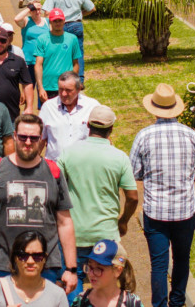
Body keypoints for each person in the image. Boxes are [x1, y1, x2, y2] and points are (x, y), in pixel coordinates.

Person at [0, 114, 77, 294]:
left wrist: (71, 268)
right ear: (14, 136)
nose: (28, 142)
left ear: (40, 139)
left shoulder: (53, 172)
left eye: (34, 138)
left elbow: (65, 222)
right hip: (3, 265)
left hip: (45, 265)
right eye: (23, 137)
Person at [129, 83, 195, 307]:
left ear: (153, 109)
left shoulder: (144, 136)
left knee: (159, 264)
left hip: (155, 212)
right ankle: (178, 301)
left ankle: (160, 304)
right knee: (182, 259)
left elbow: (133, 171)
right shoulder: (191, 135)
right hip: (185, 210)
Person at [58, 106, 138, 302]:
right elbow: (133, 197)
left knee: (71, 282)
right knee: (107, 289)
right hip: (106, 234)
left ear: (87, 125)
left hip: (74, 234)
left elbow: (55, 186)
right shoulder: (119, 157)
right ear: (111, 129)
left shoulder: (68, 153)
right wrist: (124, 221)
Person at [0, 231, 70, 306]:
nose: (30, 261)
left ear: (44, 259)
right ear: (15, 258)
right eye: (23, 256)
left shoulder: (57, 294)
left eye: (37, 256)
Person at [41, 0, 95, 84]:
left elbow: (47, 13)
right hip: (76, 24)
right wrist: (81, 14)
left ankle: (62, 76)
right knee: (78, 52)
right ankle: (79, 79)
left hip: (61, 25)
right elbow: (92, 8)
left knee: (61, 51)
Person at [39, 71, 100, 161]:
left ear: (79, 89)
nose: (63, 94)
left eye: (68, 90)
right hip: (55, 167)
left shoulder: (92, 106)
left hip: (83, 167)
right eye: (60, 89)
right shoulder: (48, 107)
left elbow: (103, 139)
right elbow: (40, 139)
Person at [70, 240, 142, 307]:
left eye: (99, 269)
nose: (91, 274)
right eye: (90, 267)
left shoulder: (132, 303)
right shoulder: (81, 301)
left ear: (118, 271)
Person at [34, 9, 81, 103]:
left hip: (66, 87)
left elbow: (75, 64)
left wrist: (73, 83)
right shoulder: (42, 39)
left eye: (60, 20)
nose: (57, 23)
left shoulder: (72, 39)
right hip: (48, 86)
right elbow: (38, 65)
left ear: (64, 21)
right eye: (55, 21)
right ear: (50, 22)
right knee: (48, 115)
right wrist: (40, 87)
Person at [14, 0, 49, 90]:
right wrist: (30, 8)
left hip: (43, 61)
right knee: (28, 89)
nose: (37, 12)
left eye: (39, 9)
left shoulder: (47, 22)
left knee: (43, 90)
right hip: (29, 60)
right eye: (34, 9)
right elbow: (16, 19)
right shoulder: (26, 21)